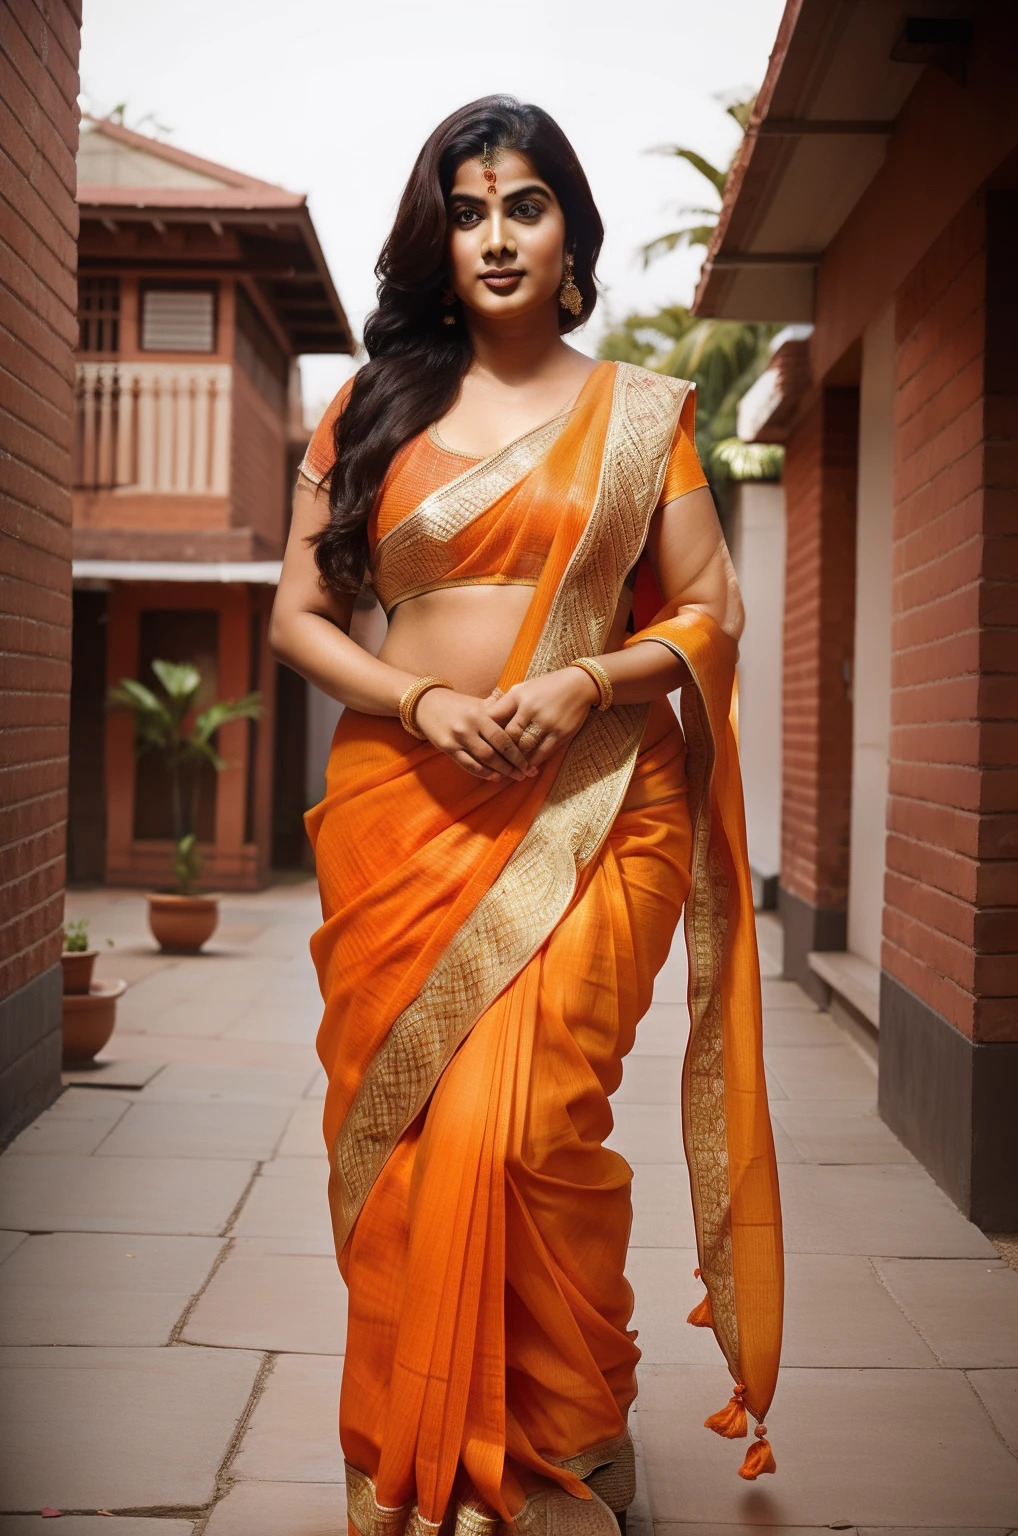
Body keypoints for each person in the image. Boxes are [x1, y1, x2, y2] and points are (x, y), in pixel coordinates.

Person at [270, 95, 783, 1536]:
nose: (496, 235)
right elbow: (300, 618)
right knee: (415, 1140)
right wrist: (423, 705)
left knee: (533, 1122)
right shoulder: (370, 410)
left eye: (525, 203)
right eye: (469, 207)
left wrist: (587, 686)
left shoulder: (639, 412)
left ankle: (550, 1437)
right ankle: (423, 1447)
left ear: (570, 235)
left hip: (602, 798)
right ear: (437, 240)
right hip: (404, 809)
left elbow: (708, 607)